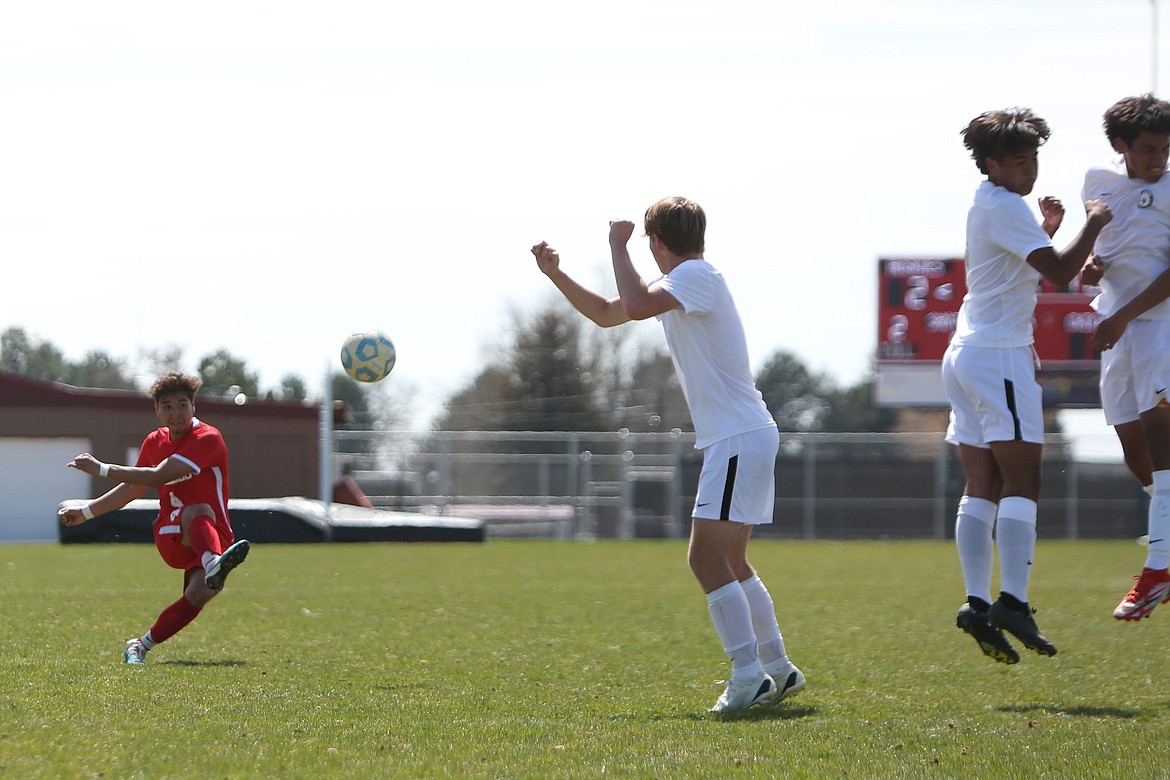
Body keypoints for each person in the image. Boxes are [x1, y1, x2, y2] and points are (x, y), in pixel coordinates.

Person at [530, 196, 803, 713]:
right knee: (731, 559)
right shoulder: (689, 282)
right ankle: (778, 668)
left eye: (645, 243)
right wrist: (557, 275)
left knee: (705, 557)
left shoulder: (696, 276)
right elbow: (611, 314)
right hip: (743, 436)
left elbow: (629, 304)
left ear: (656, 242)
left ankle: (748, 674)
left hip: (738, 438)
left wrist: (615, 245)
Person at [945, 108, 1111, 664]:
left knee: (982, 481)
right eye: (1018, 161)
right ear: (992, 163)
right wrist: (1094, 221)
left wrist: (1045, 232)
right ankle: (1013, 600)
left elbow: (1014, 268)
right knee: (1024, 478)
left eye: (1033, 159)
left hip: (966, 353)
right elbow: (1061, 275)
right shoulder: (1005, 204)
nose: (1029, 170)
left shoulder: (986, 202)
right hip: (998, 356)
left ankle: (975, 602)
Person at [58, 371, 251, 664]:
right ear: (157, 410)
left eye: (182, 405)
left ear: (194, 406)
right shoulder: (154, 441)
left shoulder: (208, 438)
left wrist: (101, 468)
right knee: (199, 510)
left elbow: (158, 475)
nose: (175, 413)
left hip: (213, 535)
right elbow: (135, 487)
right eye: (168, 406)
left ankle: (140, 645)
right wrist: (87, 511)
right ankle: (214, 564)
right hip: (173, 533)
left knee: (200, 594)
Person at [1079, 95, 1170, 621]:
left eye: (1164, 149)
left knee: (1162, 448)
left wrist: (1121, 316)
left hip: (1160, 329)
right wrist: (1095, 263)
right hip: (1119, 331)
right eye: (1147, 150)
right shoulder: (1097, 179)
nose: (1158, 160)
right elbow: (1112, 246)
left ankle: (1157, 568)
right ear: (1120, 148)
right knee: (1133, 450)